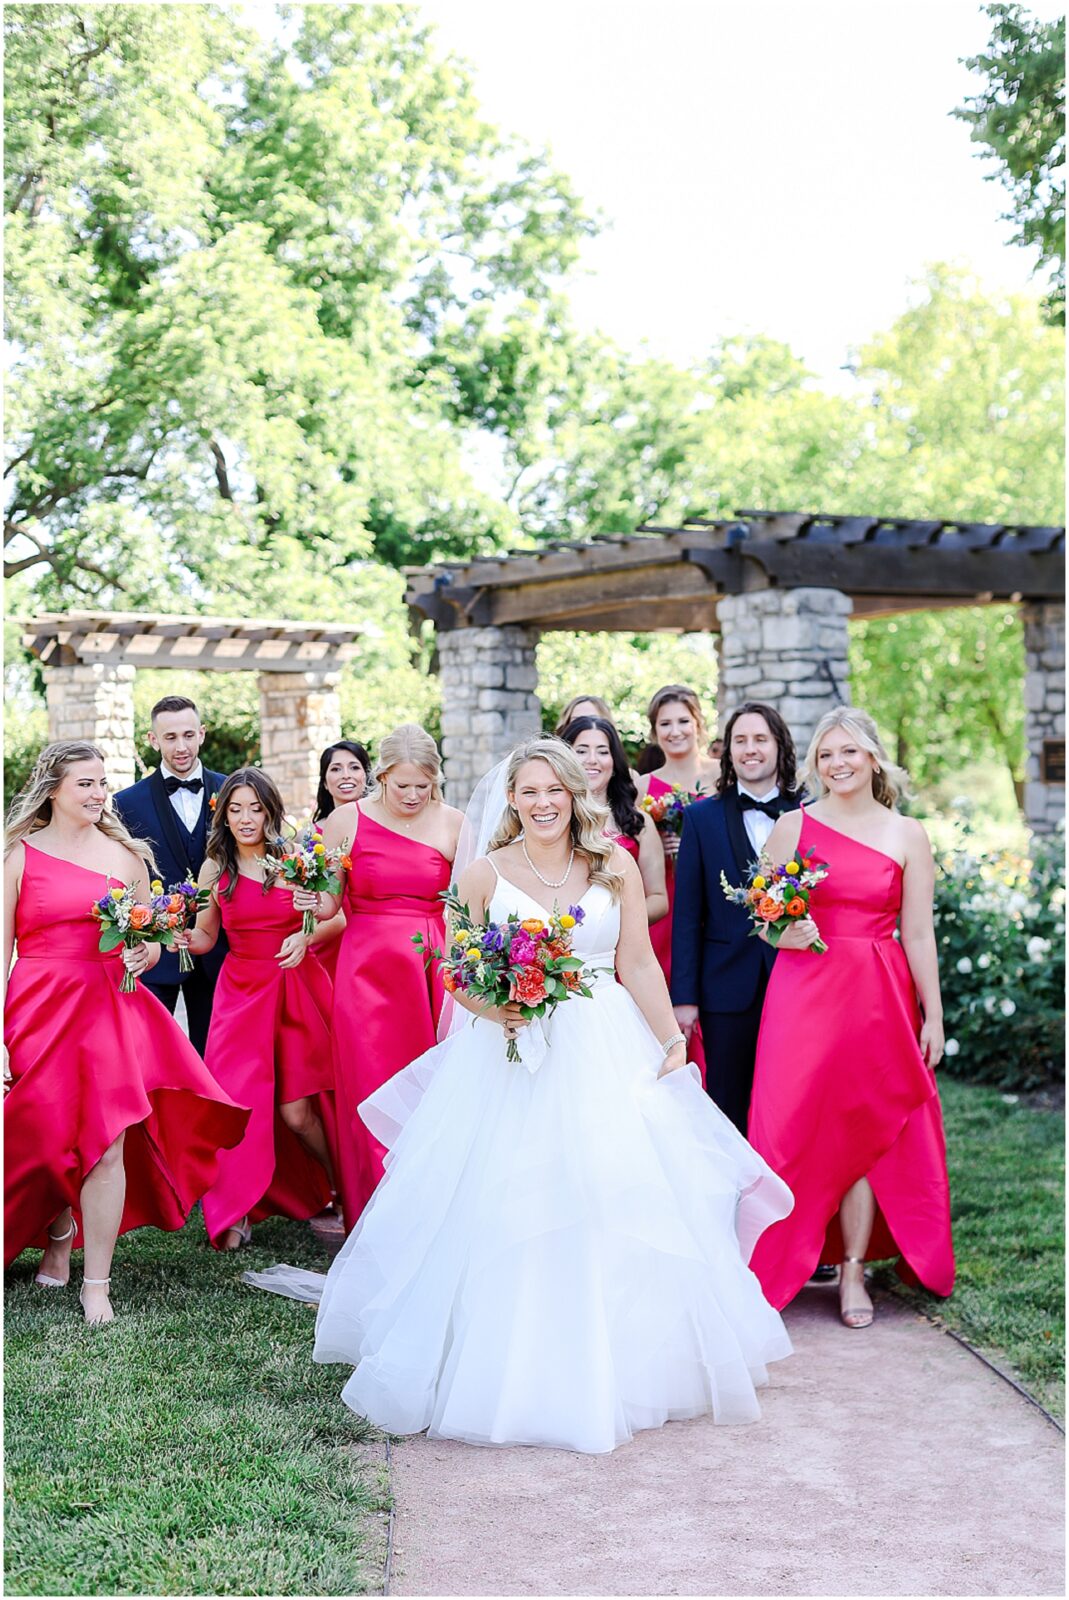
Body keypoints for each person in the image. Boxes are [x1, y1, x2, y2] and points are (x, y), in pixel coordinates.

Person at [312, 738, 793, 1453]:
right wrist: (492, 1008)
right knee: (508, 1196)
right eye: (528, 791)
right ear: (510, 798)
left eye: (554, 791)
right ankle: (503, 1365)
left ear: (575, 795)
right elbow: (454, 968)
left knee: (613, 1189)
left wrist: (670, 1041)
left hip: (605, 1042)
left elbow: (633, 960)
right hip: (510, 1053)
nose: (541, 803)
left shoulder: (614, 863)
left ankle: (628, 1366)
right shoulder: (481, 874)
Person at [3, 742, 248, 1322]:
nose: (97, 793)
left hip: (109, 1010)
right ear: (54, 789)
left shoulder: (125, 857)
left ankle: (97, 1285)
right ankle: (59, 1231)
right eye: (85, 782)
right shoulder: (17, 856)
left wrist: (143, 952)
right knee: (46, 1136)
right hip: (38, 1007)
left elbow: (152, 934)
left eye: (102, 782)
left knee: (106, 1141)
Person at [746, 707, 955, 1328]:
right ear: (816, 763)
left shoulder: (907, 833)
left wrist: (934, 1017)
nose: (838, 764)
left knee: (864, 1127)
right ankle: (776, 1264)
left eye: (850, 752)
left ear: (872, 758)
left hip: (878, 995)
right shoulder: (793, 825)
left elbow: (918, 933)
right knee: (789, 1126)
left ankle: (854, 1272)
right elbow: (764, 918)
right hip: (802, 994)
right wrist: (784, 933)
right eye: (828, 754)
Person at [179, 768, 338, 1250]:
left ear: (271, 811)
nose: (245, 819)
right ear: (223, 814)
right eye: (235, 809)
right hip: (240, 995)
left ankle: (341, 1186)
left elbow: (335, 913)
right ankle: (235, 1210)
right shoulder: (215, 868)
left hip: (294, 988)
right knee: (235, 1103)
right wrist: (176, 936)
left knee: (295, 1113)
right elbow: (207, 937)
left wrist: (305, 932)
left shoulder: (294, 858)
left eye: (255, 808)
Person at [313, 725, 463, 1226]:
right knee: (368, 1086)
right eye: (403, 786)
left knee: (434, 1089)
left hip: (431, 970)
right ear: (381, 778)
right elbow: (331, 901)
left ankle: (432, 1214)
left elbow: (468, 907)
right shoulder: (345, 821)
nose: (414, 796)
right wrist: (309, 898)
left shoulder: (455, 824)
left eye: (423, 785)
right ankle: (373, 1218)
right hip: (365, 976)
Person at [671, 703, 800, 1134]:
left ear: (780, 747)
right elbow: (687, 916)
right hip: (725, 989)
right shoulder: (701, 818)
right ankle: (737, 1199)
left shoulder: (812, 814)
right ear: (728, 753)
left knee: (796, 1096)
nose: (750, 750)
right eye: (740, 741)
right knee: (728, 1103)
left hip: (799, 980)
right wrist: (684, 998)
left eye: (760, 739)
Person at [112, 696, 228, 1055]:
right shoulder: (126, 802)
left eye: (189, 735)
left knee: (215, 1055)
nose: (181, 746)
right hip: (156, 951)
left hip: (221, 950)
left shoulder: (231, 791)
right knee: (152, 1055)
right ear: (152, 739)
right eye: (170, 737)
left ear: (202, 734)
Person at [634, 685, 720, 1080]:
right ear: (654, 732)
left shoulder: (722, 776)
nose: (675, 731)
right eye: (664, 724)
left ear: (698, 723)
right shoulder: (642, 788)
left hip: (714, 898)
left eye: (683, 721)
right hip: (666, 901)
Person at [559, 715, 668, 924]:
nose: (592, 759)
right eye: (581, 751)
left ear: (614, 761)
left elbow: (658, 899)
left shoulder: (639, 823)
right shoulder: (552, 819)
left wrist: (611, 923)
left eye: (602, 751)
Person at [308, 741, 371, 980]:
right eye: (335, 769)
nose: (346, 775)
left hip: (367, 932)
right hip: (324, 936)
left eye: (354, 767)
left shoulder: (384, 828)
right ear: (324, 781)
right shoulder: (310, 836)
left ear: (367, 775)